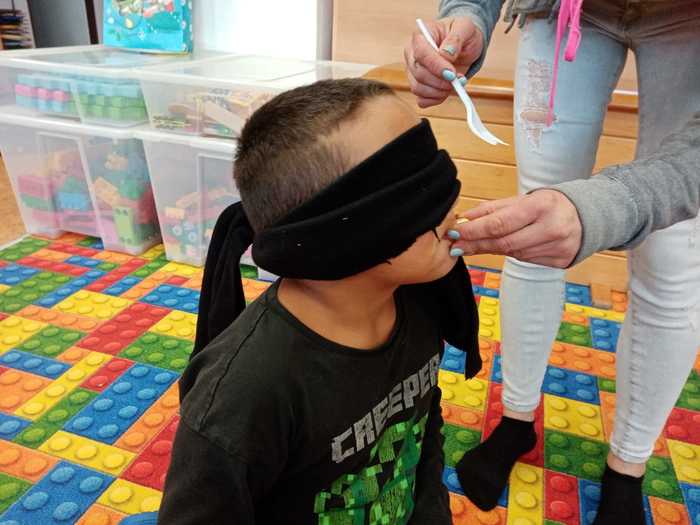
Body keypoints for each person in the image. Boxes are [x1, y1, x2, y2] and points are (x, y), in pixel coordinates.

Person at [405, 2, 700, 524]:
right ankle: (517, 420)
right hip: (567, 11)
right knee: (528, 234)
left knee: (673, 258)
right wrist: (470, 12)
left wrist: (605, 208)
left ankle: (628, 466)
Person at [156, 78, 482, 524]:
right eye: (415, 183)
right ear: (337, 235)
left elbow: (422, 429)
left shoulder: (419, 303)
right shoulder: (246, 395)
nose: (452, 197)